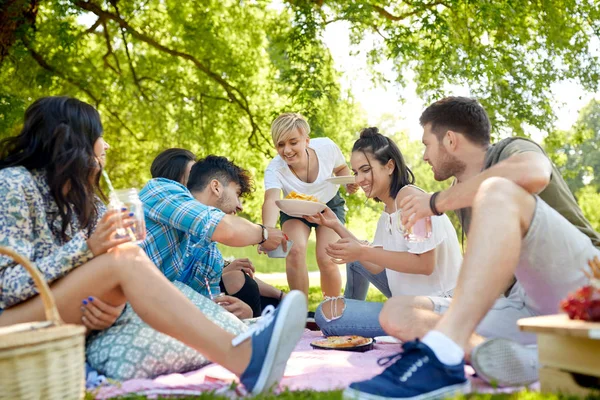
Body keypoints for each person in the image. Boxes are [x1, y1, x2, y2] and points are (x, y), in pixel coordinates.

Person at [0, 96, 307, 395]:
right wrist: (87, 247)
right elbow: (8, 285)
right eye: (99, 137)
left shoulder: (88, 201)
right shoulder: (14, 184)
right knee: (124, 258)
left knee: (126, 259)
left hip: (57, 317)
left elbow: (97, 278)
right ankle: (244, 359)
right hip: (10, 322)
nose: (106, 146)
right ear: (72, 140)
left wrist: (110, 307)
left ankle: (248, 342)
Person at [344, 96, 600, 400]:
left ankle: (445, 353)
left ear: (450, 140)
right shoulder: (460, 193)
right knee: (397, 312)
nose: (424, 156)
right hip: (523, 302)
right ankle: (533, 359)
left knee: (497, 191)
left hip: (585, 280)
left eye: (427, 144)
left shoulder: (509, 151)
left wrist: (435, 203)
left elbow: (534, 172)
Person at [305, 127, 461, 338]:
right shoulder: (387, 213)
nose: (359, 179)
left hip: (437, 307)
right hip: (406, 302)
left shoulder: (410, 200)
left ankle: (352, 318)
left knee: (327, 316)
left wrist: (361, 252)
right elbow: (375, 263)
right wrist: (335, 225)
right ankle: (352, 312)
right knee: (355, 259)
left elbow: (425, 264)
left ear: (389, 166)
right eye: (356, 172)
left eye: (365, 170)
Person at [149, 150, 284, 317]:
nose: (240, 207)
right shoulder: (161, 190)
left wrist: (245, 313)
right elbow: (227, 229)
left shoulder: (208, 249)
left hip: (171, 313)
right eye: (237, 194)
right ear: (215, 187)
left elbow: (208, 300)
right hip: (137, 304)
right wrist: (264, 234)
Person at [261, 112, 359, 297]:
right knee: (295, 251)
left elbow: (340, 168)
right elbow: (271, 200)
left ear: (306, 140)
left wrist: (347, 182)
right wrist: (267, 231)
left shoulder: (326, 147)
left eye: (293, 142)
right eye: (280, 144)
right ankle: (300, 313)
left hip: (328, 205)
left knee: (327, 257)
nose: (287, 150)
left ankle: (332, 313)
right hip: (294, 210)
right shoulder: (275, 169)